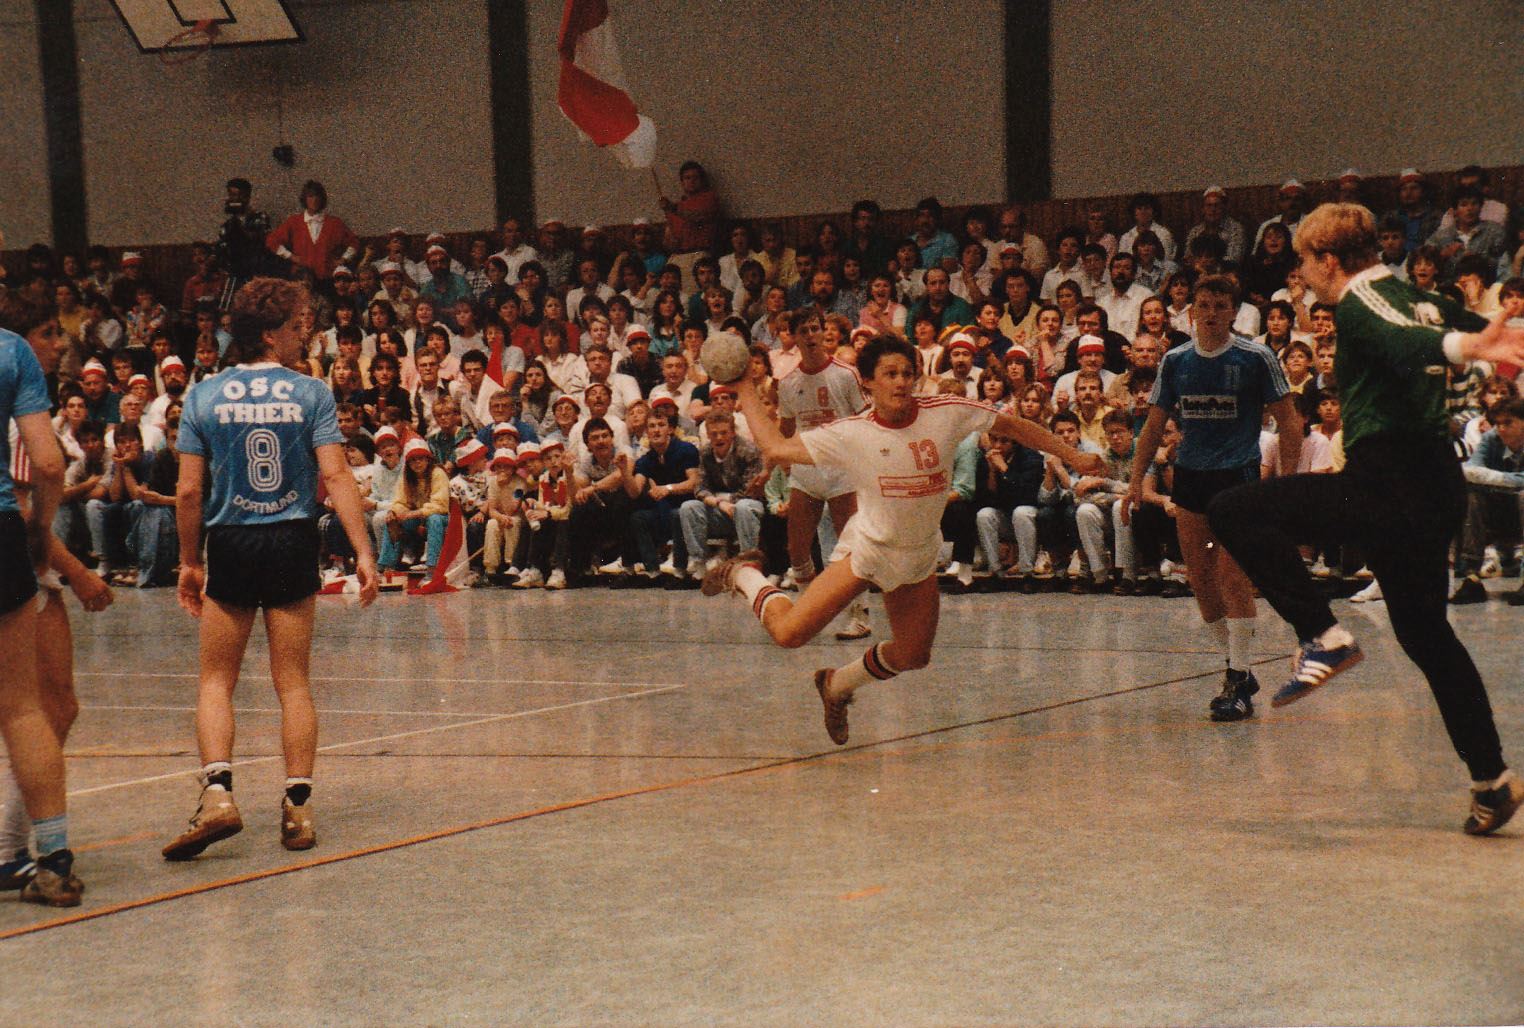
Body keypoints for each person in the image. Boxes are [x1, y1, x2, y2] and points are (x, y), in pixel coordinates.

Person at [1206, 203, 1524, 835]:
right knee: (1426, 636)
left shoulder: (1361, 302)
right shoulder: (1417, 296)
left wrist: (1465, 346)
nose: (1301, 275)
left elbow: (1403, 342)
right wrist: (1490, 337)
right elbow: (1471, 331)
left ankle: (1321, 635)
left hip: (1388, 483)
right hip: (1433, 483)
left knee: (1232, 509)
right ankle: (1491, 783)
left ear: (1329, 260)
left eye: (1304, 261)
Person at [705, 332, 1103, 745]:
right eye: (889, 374)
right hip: (869, 550)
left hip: (917, 554)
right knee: (790, 634)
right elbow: (775, 447)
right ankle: (744, 574)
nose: (900, 382)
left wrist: (1072, 455)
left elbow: (1013, 425)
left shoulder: (946, 411)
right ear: (867, 383)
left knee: (914, 655)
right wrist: (744, 387)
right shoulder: (852, 433)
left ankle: (836, 685)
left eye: (907, 373)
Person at [163, 278, 378, 862]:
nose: (305, 332)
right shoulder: (310, 392)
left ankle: (217, 795)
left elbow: (188, 491)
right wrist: (363, 551)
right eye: (297, 324)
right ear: (268, 334)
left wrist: (189, 562)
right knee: (293, 682)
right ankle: (298, 807)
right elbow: (336, 476)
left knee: (216, 681)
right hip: (290, 539)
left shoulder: (204, 395)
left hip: (231, 540)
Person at [1122, 275, 1301, 721]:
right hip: (1190, 480)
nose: (1212, 313)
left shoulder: (1256, 357)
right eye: (1204, 305)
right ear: (1192, 311)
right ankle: (1238, 666)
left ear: (1234, 312)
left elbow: (1289, 422)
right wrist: (1135, 480)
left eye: (1221, 305)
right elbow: (1153, 424)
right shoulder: (1176, 360)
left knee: (1232, 577)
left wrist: (1286, 484)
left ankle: (1237, 680)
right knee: (1201, 581)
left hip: (1239, 480)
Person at [0, 294, 95, 905]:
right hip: (7, 537)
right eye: (48, 333)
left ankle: (11, 849)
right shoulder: (12, 358)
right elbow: (47, 466)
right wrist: (46, 548)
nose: (58, 344)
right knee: (27, 708)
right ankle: (47, 857)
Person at [775, 309, 873, 638]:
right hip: (807, 470)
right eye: (803, 331)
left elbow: (866, 419)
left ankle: (860, 615)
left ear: (823, 331)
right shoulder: (788, 382)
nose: (811, 336)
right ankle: (809, 613)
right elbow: (785, 430)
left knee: (850, 547)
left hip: (843, 469)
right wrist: (771, 467)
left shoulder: (845, 374)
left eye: (815, 329)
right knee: (796, 548)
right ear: (793, 337)